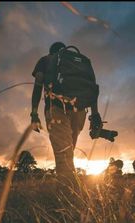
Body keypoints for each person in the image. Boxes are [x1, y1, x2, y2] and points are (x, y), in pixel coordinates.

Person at [30, 42, 102, 183]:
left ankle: (68, 195)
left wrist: (34, 113)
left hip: (56, 107)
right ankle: (71, 190)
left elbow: (38, 83)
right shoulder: (82, 62)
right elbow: (92, 88)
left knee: (63, 153)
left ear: (52, 52)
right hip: (79, 110)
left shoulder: (45, 59)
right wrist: (95, 115)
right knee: (69, 151)